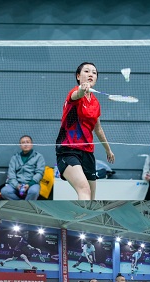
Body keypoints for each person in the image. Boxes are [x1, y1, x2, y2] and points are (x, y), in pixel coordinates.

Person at [56, 62, 115, 200]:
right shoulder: (74, 94)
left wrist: (108, 150)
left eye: (94, 73)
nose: (91, 74)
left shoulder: (95, 103)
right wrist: (82, 89)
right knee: (84, 189)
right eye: (87, 71)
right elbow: (77, 94)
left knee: (92, 197)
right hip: (68, 150)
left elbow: (98, 128)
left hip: (87, 152)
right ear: (78, 76)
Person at [1, 135, 45, 201]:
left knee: (34, 191)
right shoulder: (15, 157)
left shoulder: (38, 157)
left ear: (32, 144)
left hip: (32, 184)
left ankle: (25, 203)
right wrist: (16, 185)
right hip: (17, 184)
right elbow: (11, 174)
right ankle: (21, 203)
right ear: (20, 145)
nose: (25, 144)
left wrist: (29, 184)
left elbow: (40, 173)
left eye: (28, 142)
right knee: (4, 191)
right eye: (23, 142)